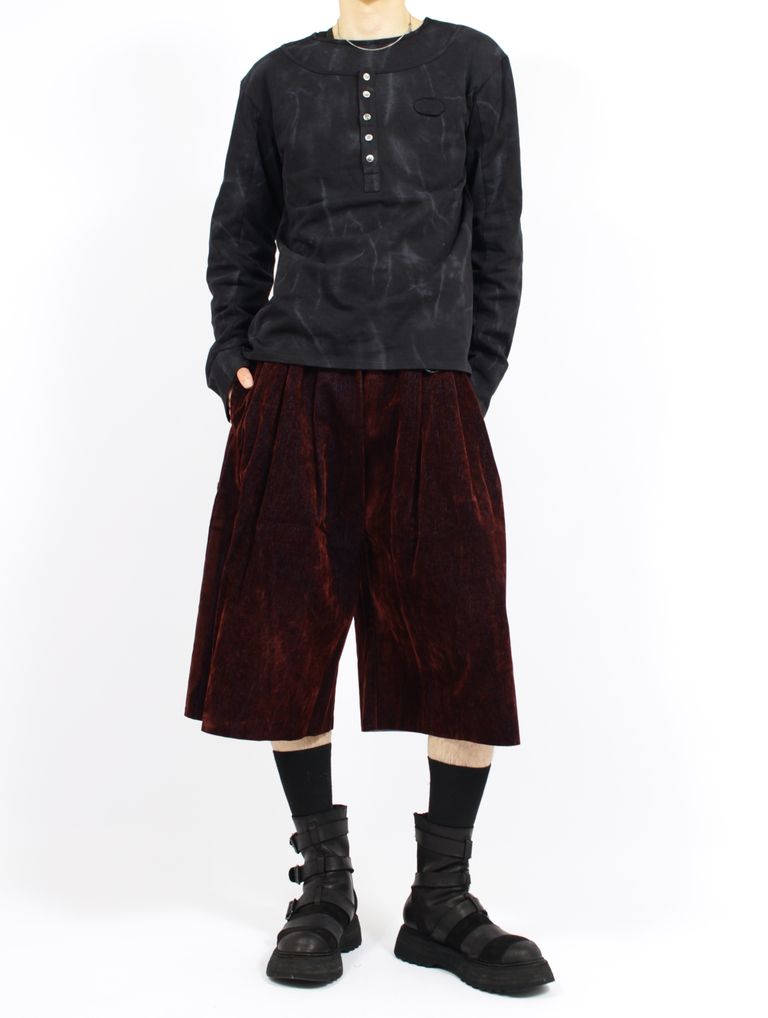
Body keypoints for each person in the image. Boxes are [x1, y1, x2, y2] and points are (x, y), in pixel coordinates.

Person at [184, 1, 554, 995]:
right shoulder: (274, 78)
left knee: (462, 634)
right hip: (295, 385)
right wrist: (234, 359)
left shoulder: (474, 64)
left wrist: (468, 379)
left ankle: (442, 899)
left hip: (431, 388)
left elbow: (500, 236)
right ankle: (325, 887)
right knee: (286, 634)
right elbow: (238, 230)